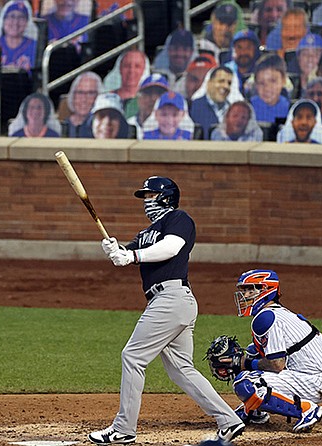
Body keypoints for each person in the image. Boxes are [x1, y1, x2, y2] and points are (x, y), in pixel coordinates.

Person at [88, 176, 245, 445]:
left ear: (165, 197)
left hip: (171, 298)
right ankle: (229, 420)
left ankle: (123, 428)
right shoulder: (147, 232)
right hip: (170, 302)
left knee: (133, 356)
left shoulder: (179, 219)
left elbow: (171, 248)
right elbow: (127, 255)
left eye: (150, 196)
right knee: (181, 369)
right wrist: (117, 250)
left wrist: (133, 256)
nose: (146, 202)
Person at [226, 269, 322, 433]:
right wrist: (248, 357)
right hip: (316, 374)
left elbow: (277, 365)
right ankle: (255, 411)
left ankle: (307, 409)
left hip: (314, 380)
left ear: (266, 290)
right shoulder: (275, 313)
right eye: (243, 290)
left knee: (246, 383)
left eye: (250, 289)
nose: (244, 295)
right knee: (254, 355)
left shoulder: (265, 318)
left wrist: (245, 363)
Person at [0, 0, 37, 72]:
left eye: (21, 17)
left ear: (27, 22)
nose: (15, 22)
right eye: (12, 16)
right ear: (4, 20)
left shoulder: (35, 46)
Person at [189, 66, 237, 138]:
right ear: (209, 83)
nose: (226, 86)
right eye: (221, 81)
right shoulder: (193, 106)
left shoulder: (234, 110)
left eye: (229, 83)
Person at [250, 53, 290, 124]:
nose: (267, 88)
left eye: (273, 81)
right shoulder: (248, 109)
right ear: (255, 84)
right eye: (261, 83)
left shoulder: (289, 110)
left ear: (283, 80)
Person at [128, 73, 169, 139]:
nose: (153, 98)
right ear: (139, 98)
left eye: (159, 93)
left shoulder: (172, 129)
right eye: (148, 93)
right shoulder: (128, 125)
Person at [63, 71, 102, 137]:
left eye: (90, 93)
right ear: (73, 96)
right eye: (80, 92)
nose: (84, 99)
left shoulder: (103, 130)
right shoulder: (62, 126)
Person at [225, 29, 260, 95]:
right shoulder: (225, 71)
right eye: (239, 47)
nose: (243, 52)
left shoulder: (262, 71)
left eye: (248, 47)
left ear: (255, 50)